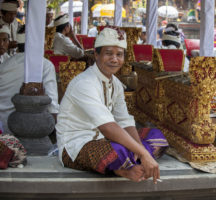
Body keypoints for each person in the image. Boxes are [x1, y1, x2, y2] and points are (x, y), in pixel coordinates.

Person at [55, 26, 168, 183]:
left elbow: (124, 120)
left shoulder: (116, 83)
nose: (114, 59)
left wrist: (138, 149)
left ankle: (129, 164)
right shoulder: (84, 83)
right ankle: (122, 168)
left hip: (105, 141)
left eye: (119, 55)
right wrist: (143, 153)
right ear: (96, 54)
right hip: (76, 146)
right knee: (119, 151)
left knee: (157, 137)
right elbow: (107, 127)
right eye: (108, 53)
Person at [0, 26, 59, 134]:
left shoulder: (5, 65)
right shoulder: (44, 65)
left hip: (3, 127)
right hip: (26, 130)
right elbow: (52, 107)